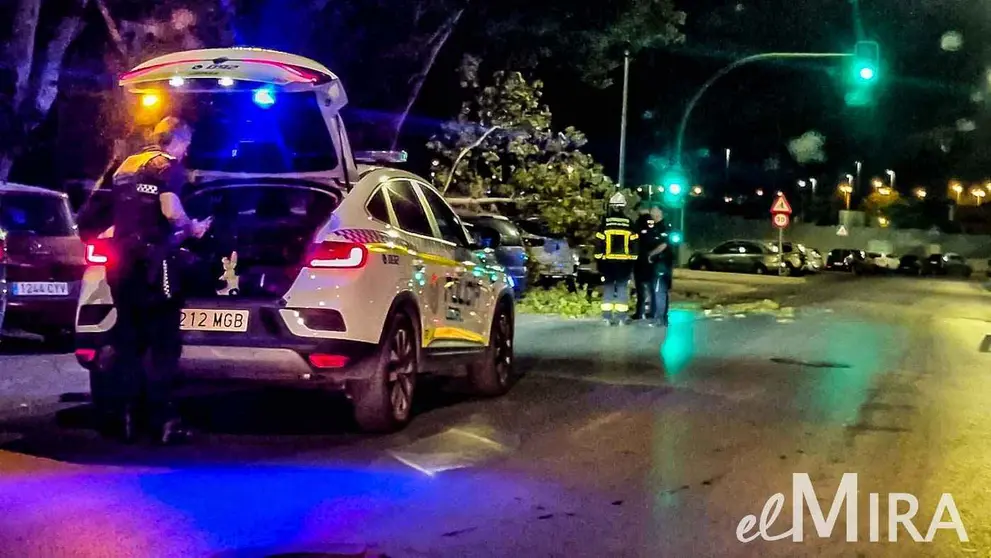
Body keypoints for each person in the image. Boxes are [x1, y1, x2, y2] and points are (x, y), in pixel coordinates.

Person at [80, 116, 211, 443]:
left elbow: (96, 211)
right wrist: (193, 227)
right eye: (186, 146)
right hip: (155, 264)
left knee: (128, 340)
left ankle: (124, 417)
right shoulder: (167, 166)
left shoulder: (126, 165)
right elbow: (170, 211)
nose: (185, 153)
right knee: (163, 343)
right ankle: (163, 422)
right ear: (178, 142)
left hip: (121, 263)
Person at [594, 192, 637, 325]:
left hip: (607, 263)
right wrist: (633, 260)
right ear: (623, 207)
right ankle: (621, 318)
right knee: (622, 288)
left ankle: (606, 317)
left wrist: (599, 260)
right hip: (624, 264)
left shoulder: (605, 223)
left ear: (611, 207)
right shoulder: (629, 223)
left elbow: (598, 243)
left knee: (608, 288)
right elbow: (634, 244)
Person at [634, 204, 671, 326]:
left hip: (662, 262)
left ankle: (659, 318)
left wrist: (651, 254)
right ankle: (658, 316)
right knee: (657, 290)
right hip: (656, 263)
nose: (651, 213)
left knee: (659, 290)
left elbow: (663, 244)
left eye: (654, 210)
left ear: (660, 212)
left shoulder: (663, 227)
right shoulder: (653, 226)